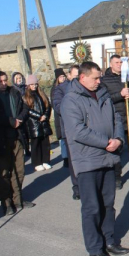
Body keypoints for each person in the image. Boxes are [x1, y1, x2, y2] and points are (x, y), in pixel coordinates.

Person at [61, 62, 129, 256]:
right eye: (95, 78)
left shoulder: (102, 93)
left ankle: (109, 240)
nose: (99, 81)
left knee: (108, 204)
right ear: (82, 78)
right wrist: (105, 142)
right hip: (87, 160)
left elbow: (116, 117)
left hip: (108, 158)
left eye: (100, 77)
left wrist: (118, 138)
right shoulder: (70, 100)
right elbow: (77, 131)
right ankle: (95, 249)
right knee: (92, 207)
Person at [0, 71, 35, 216]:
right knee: (4, 173)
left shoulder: (14, 92)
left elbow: (25, 108)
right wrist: (10, 121)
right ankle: (6, 203)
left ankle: (18, 200)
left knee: (19, 170)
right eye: (0, 81)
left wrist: (19, 119)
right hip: (0, 140)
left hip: (16, 137)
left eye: (5, 80)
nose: (3, 83)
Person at [100, 54, 129, 189]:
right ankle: (117, 176)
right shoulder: (105, 80)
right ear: (111, 64)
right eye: (116, 62)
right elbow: (105, 99)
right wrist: (120, 94)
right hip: (117, 118)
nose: (119, 65)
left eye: (120, 62)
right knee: (117, 149)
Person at [53, 64, 81, 200]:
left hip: (86, 130)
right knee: (74, 162)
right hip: (70, 131)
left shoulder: (87, 87)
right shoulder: (61, 89)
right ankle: (77, 188)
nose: (78, 79)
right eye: (75, 76)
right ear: (69, 76)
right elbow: (58, 106)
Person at [22, 75, 52, 172]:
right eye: (32, 84)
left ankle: (45, 160)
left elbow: (48, 105)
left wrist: (46, 115)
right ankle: (37, 162)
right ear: (28, 85)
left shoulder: (41, 94)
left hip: (44, 122)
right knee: (36, 144)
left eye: (35, 84)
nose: (34, 86)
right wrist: (39, 116)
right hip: (34, 123)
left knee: (45, 143)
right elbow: (28, 110)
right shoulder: (26, 97)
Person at [50, 68, 68, 169]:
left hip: (67, 115)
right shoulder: (55, 89)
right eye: (61, 77)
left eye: (64, 76)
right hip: (59, 116)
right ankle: (65, 158)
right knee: (62, 138)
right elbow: (55, 104)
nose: (63, 78)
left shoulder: (67, 86)